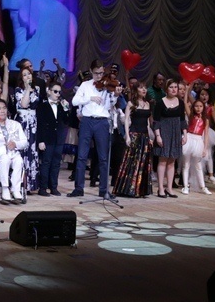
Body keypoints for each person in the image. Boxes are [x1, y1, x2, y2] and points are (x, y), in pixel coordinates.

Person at [68, 60, 118, 198]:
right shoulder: (85, 85)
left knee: (103, 157)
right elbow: (74, 101)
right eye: (96, 73)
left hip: (102, 122)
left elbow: (110, 105)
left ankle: (103, 190)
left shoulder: (107, 85)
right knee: (82, 156)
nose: (99, 76)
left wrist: (115, 95)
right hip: (87, 121)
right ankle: (79, 188)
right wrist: (90, 98)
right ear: (91, 71)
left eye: (101, 73)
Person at [113, 81, 153, 198]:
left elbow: (147, 122)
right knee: (131, 162)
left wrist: (150, 137)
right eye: (141, 88)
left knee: (143, 162)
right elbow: (126, 120)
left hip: (144, 136)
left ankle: (140, 189)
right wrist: (127, 136)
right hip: (134, 134)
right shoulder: (131, 103)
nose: (144, 90)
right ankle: (128, 188)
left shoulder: (147, 104)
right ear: (136, 90)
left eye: (145, 87)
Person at [152, 79, 186, 198]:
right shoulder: (160, 103)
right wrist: (158, 136)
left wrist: (185, 134)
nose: (174, 89)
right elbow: (156, 121)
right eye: (171, 87)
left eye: (175, 87)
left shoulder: (180, 103)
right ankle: (161, 188)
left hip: (176, 133)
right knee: (162, 160)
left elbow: (182, 120)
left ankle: (169, 188)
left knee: (172, 161)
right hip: (164, 133)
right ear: (166, 89)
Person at [36, 80, 69, 197]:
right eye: (55, 91)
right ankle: (43, 188)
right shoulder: (42, 106)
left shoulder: (61, 106)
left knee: (56, 163)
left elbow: (66, 121)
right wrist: (40, 140)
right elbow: (40, 124)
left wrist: (66, 109)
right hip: (47, 138)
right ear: (49, 91)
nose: (58, 94)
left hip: (59, 138)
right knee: (46, 162)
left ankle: (53, 187)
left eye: (59, 92)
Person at [14, 66, 41, 195]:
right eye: (24, 75)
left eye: (29, 74)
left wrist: (31, 89)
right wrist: (27, 90)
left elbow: (35, 104)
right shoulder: (18, 90)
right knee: (22, 150)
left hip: (33, 123)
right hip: (23, 122)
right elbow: (24, 104)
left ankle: (30, 184)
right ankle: (20, 183)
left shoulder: (37, 89)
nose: (27, 76)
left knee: (32, 150)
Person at [181, 93, 211, 194]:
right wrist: (187, 90)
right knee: (186, 164)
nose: (198, 108)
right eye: (196, 106)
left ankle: (203, 187)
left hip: (198, 140)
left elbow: (206, 135)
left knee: (198, 165)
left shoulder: (205, 120)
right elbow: (185, 103)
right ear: (193, 107)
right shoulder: (191, 115)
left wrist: (205, 148)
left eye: (200, 106)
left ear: (203, 107)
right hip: (189, 138)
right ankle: (186, 186)